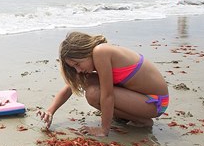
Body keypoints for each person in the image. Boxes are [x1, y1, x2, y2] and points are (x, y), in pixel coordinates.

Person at [38, 31, 169, 137]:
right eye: (74, 67)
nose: (78, 70)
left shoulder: (101, 52)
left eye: (78, 64)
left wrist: (103, 130)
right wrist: (50, 111)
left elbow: (107, 95)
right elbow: (70, 87)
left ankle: (141, 120)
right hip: (143, 98)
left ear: (86, 51)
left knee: (94, 94)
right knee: (86, 82)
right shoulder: (98, 54)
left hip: (155, 103)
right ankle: (134, 117)